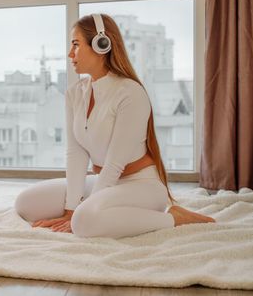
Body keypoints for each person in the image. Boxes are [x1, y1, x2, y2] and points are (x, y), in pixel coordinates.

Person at [15, 13, 215, 238]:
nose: (70, 54)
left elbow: (114, 164)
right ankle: (90, 212)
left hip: (141, 187)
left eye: (76, 45)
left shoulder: (130, 93)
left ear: (102, 45)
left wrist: (79, 213)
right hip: (104, 183)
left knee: (84, 222)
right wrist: (71, 208)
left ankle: (173, 218)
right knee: (26, 204)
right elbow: (76, 153)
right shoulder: (75, 93)